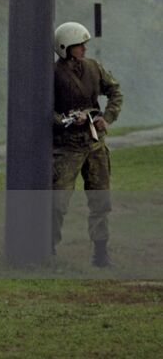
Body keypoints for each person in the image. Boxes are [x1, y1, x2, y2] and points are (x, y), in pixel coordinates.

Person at [52, 21, 123, 267]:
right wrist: (66, 121)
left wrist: (108, 117)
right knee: (57, 202)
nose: (83, 49)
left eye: (84, 44)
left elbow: (115, 91)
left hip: (94, 143)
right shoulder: (53, 73)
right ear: (65, 47)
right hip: (67, 147)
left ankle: (101, 254)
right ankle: (47, 250)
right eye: (78, 45)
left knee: (101, 201)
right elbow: (46, 111)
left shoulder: (94, 68)